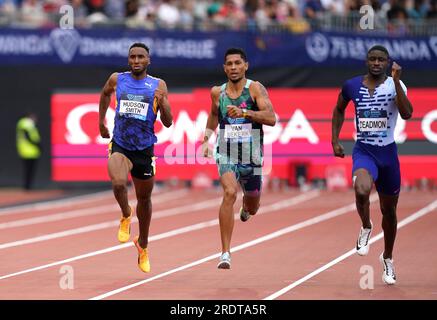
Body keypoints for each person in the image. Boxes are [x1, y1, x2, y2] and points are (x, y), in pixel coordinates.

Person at [331, 45, 413, 285]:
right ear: (367, 61)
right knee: (362, 188)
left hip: (388, 155)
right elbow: (338, 109)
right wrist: (334, 139)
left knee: (390, 212)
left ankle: (387, 257)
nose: (376, 63)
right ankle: (366, 226)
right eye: (372, 59)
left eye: (381, 60)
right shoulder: (351, 85)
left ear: (387, 63)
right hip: (364, 151)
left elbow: (407, 114)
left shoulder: (395, 85)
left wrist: (397, 82)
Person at [99, 43, 173, 273]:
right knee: (119, 182)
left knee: (145, 200)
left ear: (148, 60)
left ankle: (143, 244)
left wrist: (164, 102)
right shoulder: (117, 79)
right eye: (132, 57)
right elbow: (104, 94)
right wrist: (101, 122)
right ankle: (125, 213)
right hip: (120, 144)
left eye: (141, 56)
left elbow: (168, 122)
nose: (136, 60)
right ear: (128, 59)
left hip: (144, 149)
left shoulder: (157, 85)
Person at [202, 47, 276, 269]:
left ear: (246, 65)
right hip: (226, 151)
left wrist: (245, 113)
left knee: (253, 205)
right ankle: (225, 253)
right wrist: (206, 140)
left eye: (237, 63)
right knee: (229, 192)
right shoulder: (218, 92)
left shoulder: (254, 89)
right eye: (229, 64)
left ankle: (247, 208)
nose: (233, 67)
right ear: (224, 68)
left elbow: (271, 118)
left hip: (252, 155)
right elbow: (214, 115)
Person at [16, 112, 41, 190]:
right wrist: (37, 145)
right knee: (28, 170)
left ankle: (28, 186)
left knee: (29, 170)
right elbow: (28, 137)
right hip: (29, 151)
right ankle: (27, 186)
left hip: (30, 151)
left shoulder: (27, 125)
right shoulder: (26, 124)